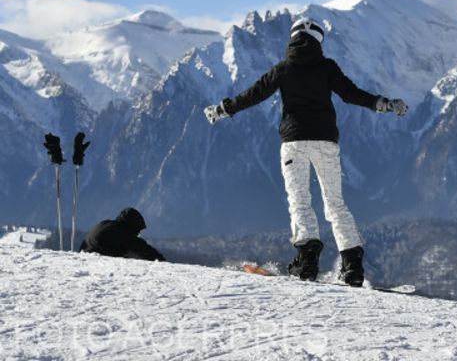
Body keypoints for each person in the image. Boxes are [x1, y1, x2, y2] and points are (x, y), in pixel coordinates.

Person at [203, 17, 407, 285]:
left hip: (294, 143)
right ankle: (352, 266)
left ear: (292, 38)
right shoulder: (327, 68)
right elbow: (351, 93)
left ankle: (307, 262)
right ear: (319, 40)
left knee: (299, 200)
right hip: (326, 142)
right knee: (335, 203)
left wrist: (224, 109)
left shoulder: (284, 69)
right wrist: (384, 104)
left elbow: (254, 94)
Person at [79, 207, 165, 261]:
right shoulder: (122, 233)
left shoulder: (105, 223)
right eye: (138, 231)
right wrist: (162, 262)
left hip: (82, 258)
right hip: (96, 263)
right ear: (133, 226)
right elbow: (145, 250)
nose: (138, 234)